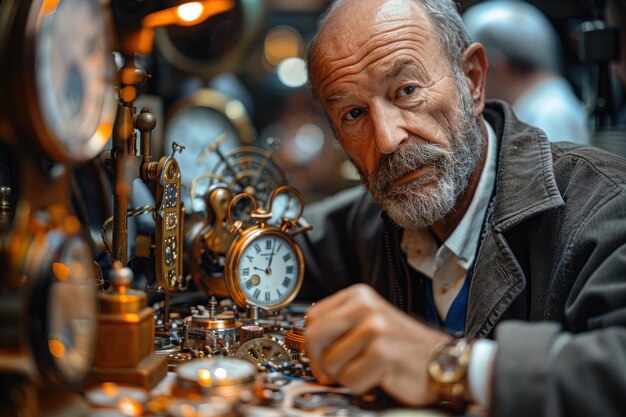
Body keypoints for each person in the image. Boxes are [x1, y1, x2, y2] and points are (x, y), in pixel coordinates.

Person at [298, 0, 626, 415]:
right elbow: (279, 243)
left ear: (471, 80)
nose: (386, 140)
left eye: (407, 90)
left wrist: (448, 365)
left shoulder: (603, 204)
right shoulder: (370, 220)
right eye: (354, 113)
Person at [462, 0, 590, 144]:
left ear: (497, 68)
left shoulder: (551, 113)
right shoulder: (538, 105)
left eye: (472, 72)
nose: (472, 84)